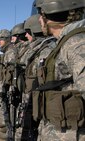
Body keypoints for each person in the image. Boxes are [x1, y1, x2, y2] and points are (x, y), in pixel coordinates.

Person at [35, 0, 85, 140]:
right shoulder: (64, 42)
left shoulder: (77, 43)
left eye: (41, 15)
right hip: (59, 130)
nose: (39, 20)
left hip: (71, 133)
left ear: (50, 17)